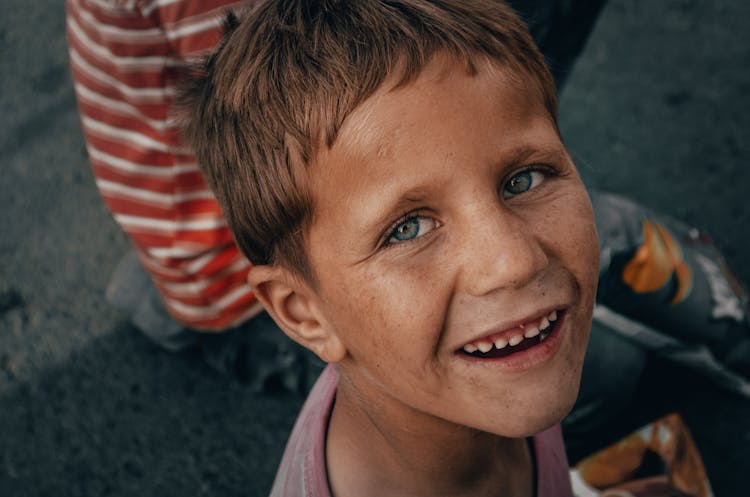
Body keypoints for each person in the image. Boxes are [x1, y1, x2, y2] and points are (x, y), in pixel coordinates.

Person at [178, 1, 601, 495]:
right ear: (306, 313)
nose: (513, 262)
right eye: (407, 229)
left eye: (524, 179)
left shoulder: (503, 355)